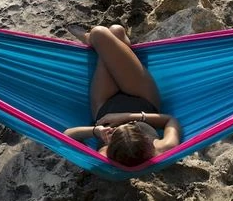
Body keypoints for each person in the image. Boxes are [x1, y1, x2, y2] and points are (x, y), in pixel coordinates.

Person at [64, 24, 182, 167]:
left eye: (112, 132)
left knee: (103, 33)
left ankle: (93, 39)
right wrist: (128, 117)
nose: (127, 123)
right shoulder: (163, 147)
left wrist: (96, 131)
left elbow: (68, 135)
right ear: (148, 141)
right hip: (142, 97)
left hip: (105, 103)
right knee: (114, 32)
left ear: (109, 146)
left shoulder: (103, 156)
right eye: (133, 125)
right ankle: (116, 43)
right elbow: (170, 120)